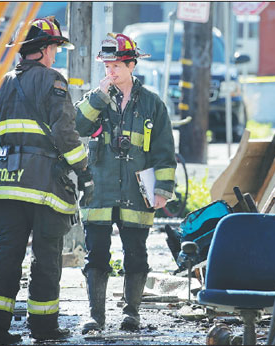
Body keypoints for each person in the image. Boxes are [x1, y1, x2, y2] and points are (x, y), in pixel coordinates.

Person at [0, 16, 92, 344]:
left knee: (5, 255)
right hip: (45, 190)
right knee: (46, 258)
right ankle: (43, 329)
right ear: (41, 50)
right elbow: (65, 134)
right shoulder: (54, 81)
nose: (55, 54)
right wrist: (85, 172)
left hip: (6, 185)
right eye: (54, 47)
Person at [75, 33, 176, 333]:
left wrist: (162, 190)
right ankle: (96, 317)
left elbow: (164, 150)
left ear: (132, 65)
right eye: (107, 66)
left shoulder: (152, 104)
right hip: (100, 191)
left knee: (136, 254)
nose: (111, 72)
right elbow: (77, 126)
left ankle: (131, 313)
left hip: (135, 192)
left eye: (118, 65)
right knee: (96, 255)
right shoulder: (97, 99)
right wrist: (98, 96)